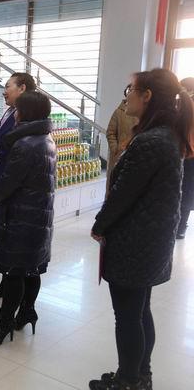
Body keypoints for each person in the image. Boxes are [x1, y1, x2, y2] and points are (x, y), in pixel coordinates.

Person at [89, 69, 193, 390]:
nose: (126, 97)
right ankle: (140, 376)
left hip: (135, 242)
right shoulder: (165, 136)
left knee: (128, 317)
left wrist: (100, 225)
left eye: (130, 89)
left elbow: (123, 194)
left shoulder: (151, 141)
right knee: (139, 311)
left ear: (147, 96)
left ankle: (128, 381)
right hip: (149, 240)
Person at [0, 91, 56, 346]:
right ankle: (27, 312)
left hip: (21, 216)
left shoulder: (25, 144)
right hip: (39, 215)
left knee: (14, 272)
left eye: (18, 110)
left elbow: (8, 183)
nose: (15, 115)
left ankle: (3, 325)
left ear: (26, 113)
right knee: (31, 268)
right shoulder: (46, 138)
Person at [0, 72, 36, 299]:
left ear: (22, 88)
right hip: (2, 172)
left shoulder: (27, 117)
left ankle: (13, 284)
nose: (4, 91)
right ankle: (5, 280)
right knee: (1, 230)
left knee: (9, 230)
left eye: (8, 86)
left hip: (12, 176)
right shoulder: (11, 111)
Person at [106, 87, 138, 190]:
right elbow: (110, 133)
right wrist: (116, 149)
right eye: (130, 91)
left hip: (136, 159)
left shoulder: (145, 114)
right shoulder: (119, 112)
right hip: (118, 157)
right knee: (114, 187)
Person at [177, 77, 194, 239]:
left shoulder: (188, 106)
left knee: (186, 190)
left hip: (188, 154)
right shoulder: (184, 105)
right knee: (186, 190)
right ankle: (181, 225)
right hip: (186, 153)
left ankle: (181, 225)